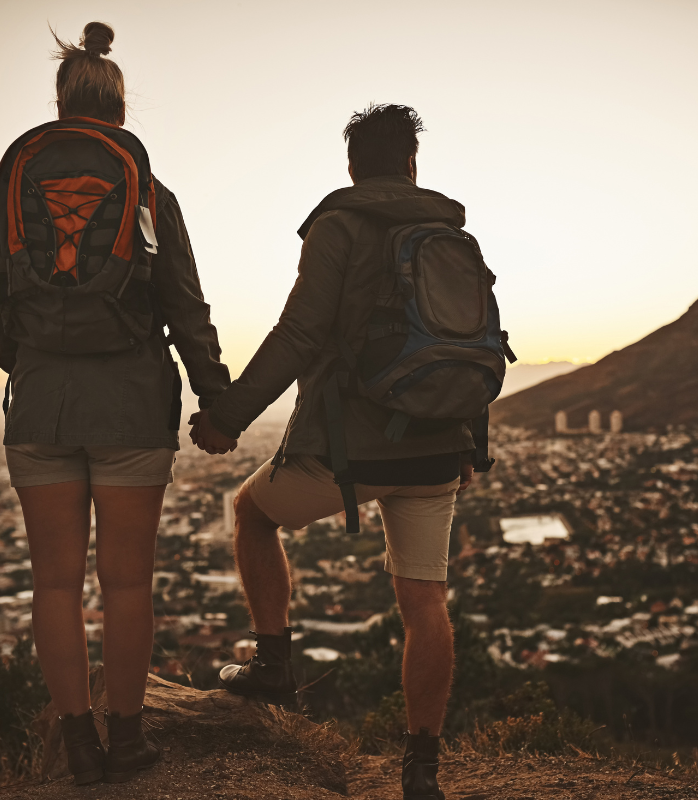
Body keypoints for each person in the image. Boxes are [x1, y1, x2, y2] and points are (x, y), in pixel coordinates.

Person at [192, 103, 485, 800]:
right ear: (412, 164)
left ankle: (273, 666)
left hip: (350, 450)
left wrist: (228, 417)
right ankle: (421, 768)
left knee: (252, 513)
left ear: (352, 168)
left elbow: (299, 334)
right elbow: (472, 341)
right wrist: (472, 440)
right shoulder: (446, 230)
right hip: (436, 446)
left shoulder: (339, 224)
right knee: (426, 601)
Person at [0, 22, 231, 785]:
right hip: (130, 407)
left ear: (61, 102)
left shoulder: (18, 185)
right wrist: (215, 402)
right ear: (119, 111)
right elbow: (187, 310)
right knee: (126, 582)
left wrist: (33, 361)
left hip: (42, 408)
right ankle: (127, 738)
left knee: (52, 582)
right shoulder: (149, 191)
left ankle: (76, 742)